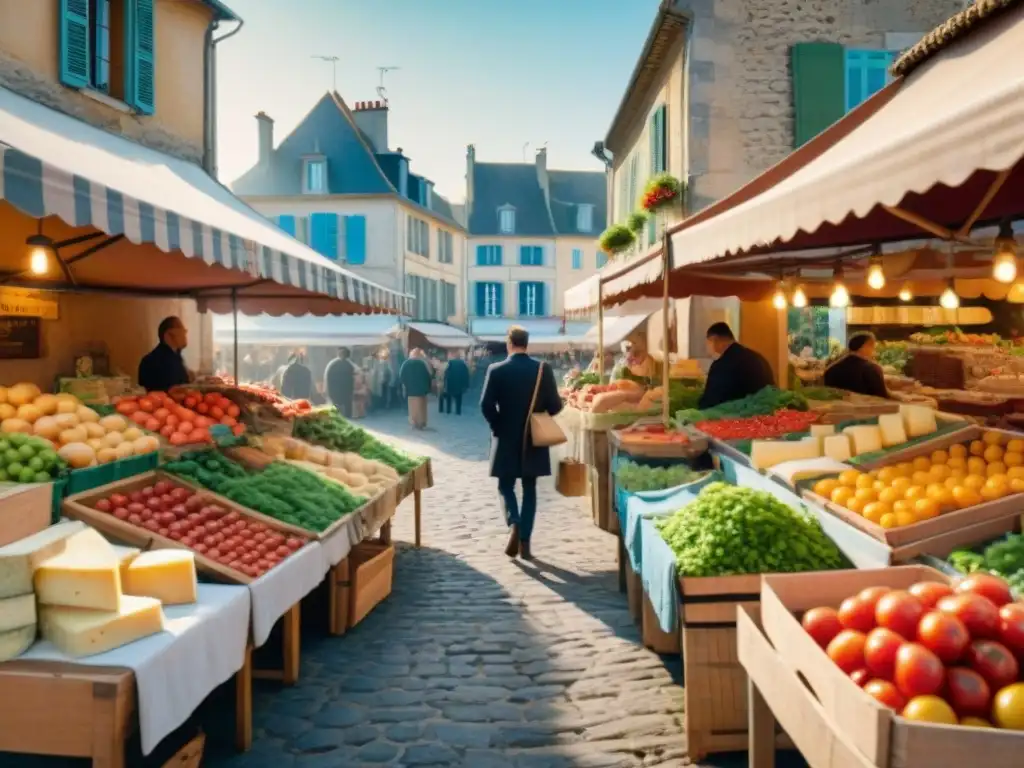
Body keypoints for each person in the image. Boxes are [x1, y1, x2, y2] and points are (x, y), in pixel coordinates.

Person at [480, 326, 563, 561]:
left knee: (505, 485)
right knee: (530, 488)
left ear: (509, 344)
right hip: (533, 438)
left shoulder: (496, 370)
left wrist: (498, 426)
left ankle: (513, 522)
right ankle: (525, 542)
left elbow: (485, 405)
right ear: (527, 344)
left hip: (505, 435)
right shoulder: (542, 370)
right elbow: (555, 406)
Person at [698, 322, 776, 409]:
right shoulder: (758, 358)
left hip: (736, 418)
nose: (707, 348)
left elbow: (710, 402)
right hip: (766, 416)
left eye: (708, 343)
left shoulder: (722, 365)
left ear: (715, 340)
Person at [824, 332, 889, 398]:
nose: (874, 351)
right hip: (867, 407)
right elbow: (883, 396)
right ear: (865, 346)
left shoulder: (831, 370)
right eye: (873, 346)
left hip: (837, 407)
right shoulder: (871, 369)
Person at [138, 316, 191, 392]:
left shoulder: (176, 355)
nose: (185, 334)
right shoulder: (152, 361)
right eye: (182, 331)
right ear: (168, 335)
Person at [400, 348, 433, 429]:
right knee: (422, 406)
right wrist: (428, 387)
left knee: (412, 406)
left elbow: (401, 375)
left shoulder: (405, 363)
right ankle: (422, 421)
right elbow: (429, 375)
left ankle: (414, 422)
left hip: (411, 390)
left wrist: (406, 385)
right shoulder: (422, 363)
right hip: (422, 390)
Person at [324, 347, 358, 417]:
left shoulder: (333, 364)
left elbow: (328, 378)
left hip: (336, 390)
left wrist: (329, 391)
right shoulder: (350, 365)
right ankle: (348, 419)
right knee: (346, 406)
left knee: (336, 406)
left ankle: (338, 419)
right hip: (345, 390)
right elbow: (354, 378)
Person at [441, 350, 470, 415]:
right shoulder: (463, 364)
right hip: (459, 383)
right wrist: (466, 384)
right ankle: (458, 411)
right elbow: (466, 374)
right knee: (459, 398)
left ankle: (448, 410)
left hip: (451, 382)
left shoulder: (450, 363)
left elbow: (446, 373)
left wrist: (445, 381)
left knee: (449, 397)